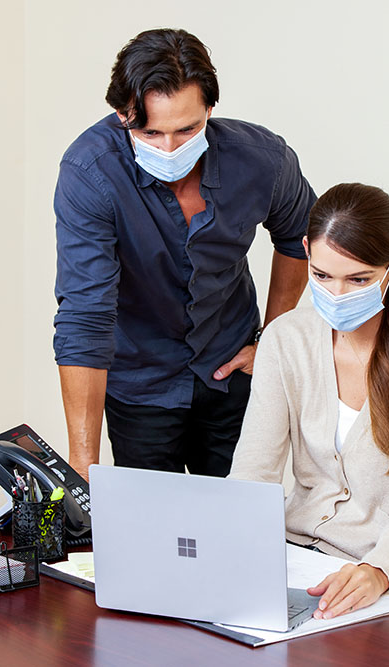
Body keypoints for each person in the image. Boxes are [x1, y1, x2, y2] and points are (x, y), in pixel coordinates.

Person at [53, 29, 316, 480]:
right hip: (139, 379)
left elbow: (300, 237)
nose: (170, 149)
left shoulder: (262, 159)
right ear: (122, 115)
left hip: (232, 370)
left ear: (210, 110)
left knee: (242, 525)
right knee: (153, 534)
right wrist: (83, 463)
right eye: (150, 132)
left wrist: (269, 343)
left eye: (187, 129)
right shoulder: (89, 173)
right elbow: (85, 316)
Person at [228, 183, 389, 620]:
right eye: (321, 276)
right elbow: (254, 469)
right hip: (294, 557)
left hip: (386, 571)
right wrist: (223, 544)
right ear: (305, 251)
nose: (336, 296)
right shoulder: (286, 338)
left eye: (358, 279)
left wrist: (380, 568)